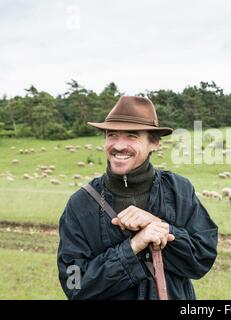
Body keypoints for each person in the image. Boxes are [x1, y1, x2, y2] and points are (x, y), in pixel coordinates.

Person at [57, 96, 218, 300]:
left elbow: (202, 259)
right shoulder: (80, 204)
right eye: (112, 135)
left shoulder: (179, 190)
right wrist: (133, 247)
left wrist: (160, 226)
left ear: (154, 143)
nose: (119, 145)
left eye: (132, 136)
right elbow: (75, 285)